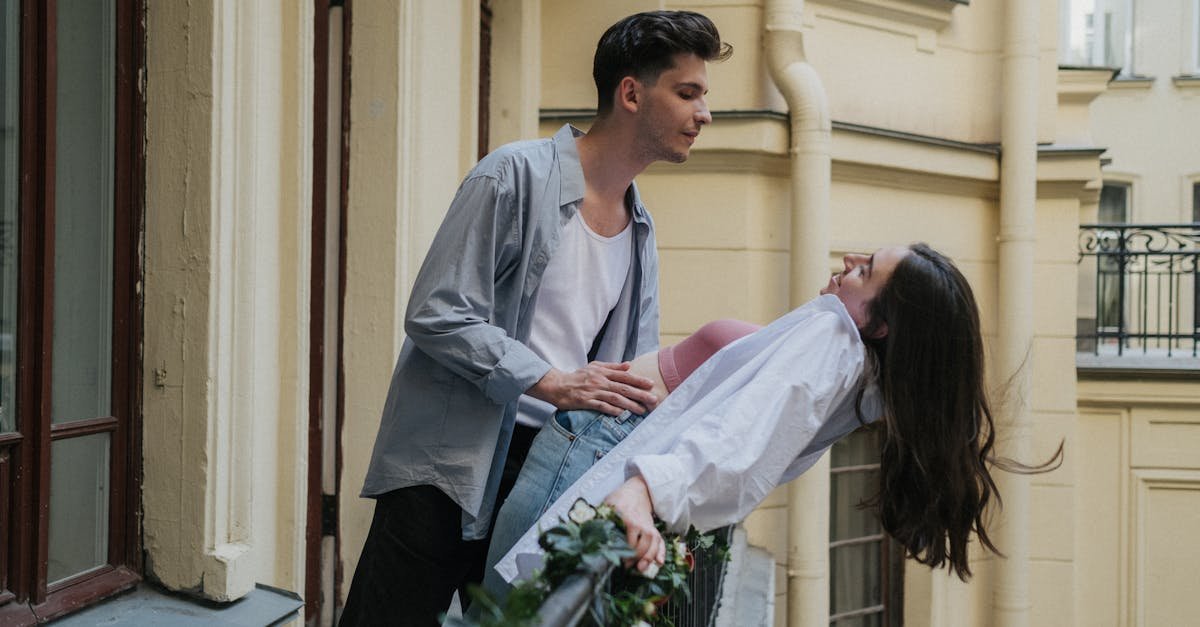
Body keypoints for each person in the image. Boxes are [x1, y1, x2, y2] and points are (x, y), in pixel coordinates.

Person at [340, 11, 732, 626]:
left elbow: (625, 375)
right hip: (448, 463)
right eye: (688, 93)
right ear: (631, 93)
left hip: (546, 474)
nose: (704, 113)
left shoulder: (641, 229)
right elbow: (437, 311)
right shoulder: (514, 174)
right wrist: (549, 380)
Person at [488, 243, 1061, 593]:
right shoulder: (861, 373)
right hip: (609, 444)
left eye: (866, 272)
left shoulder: (832, 338)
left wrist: (645, 490)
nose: (848, 262)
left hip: (601, 446)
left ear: (882, 324)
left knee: (507, 608)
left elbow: (743, 437)